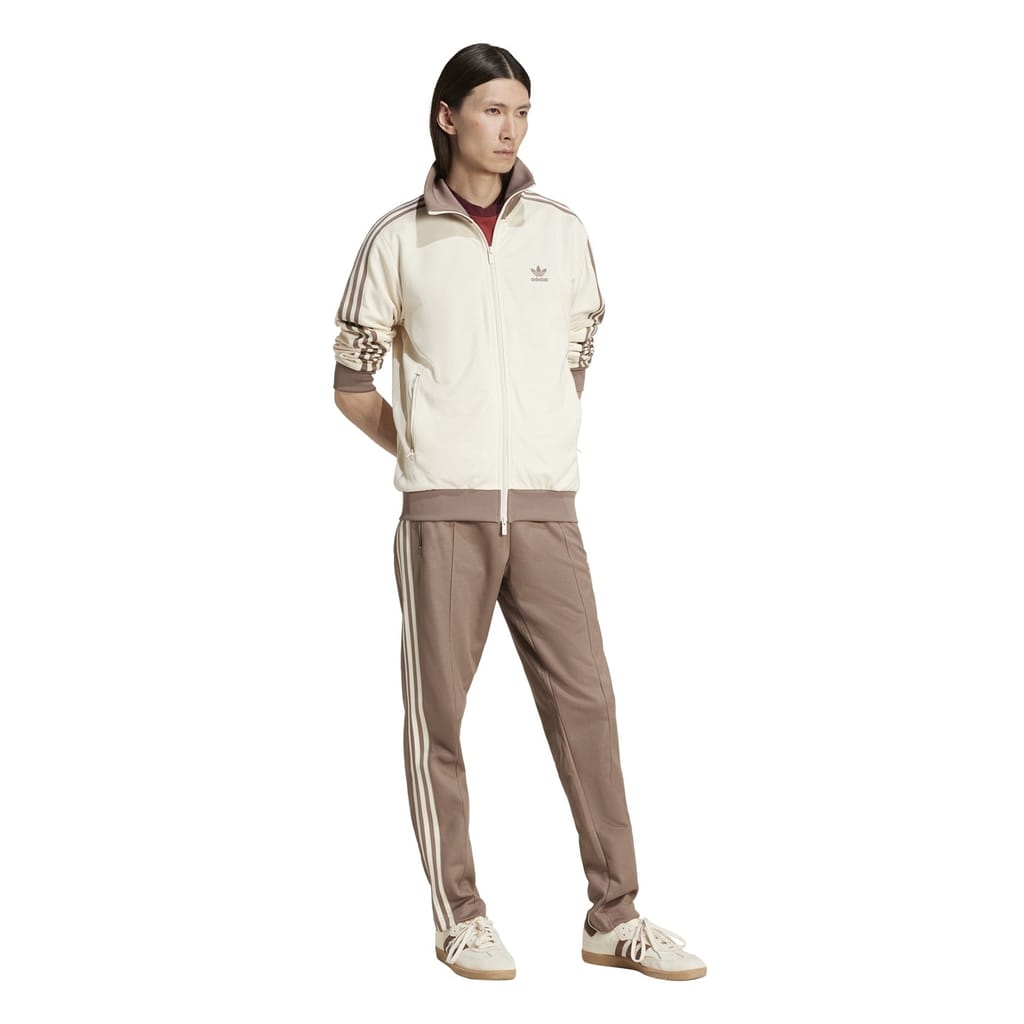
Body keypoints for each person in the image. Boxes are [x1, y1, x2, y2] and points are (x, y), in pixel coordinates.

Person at [332, 42, 706, 983]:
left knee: (589, 706)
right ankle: (459, 916)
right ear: (448, 116)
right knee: (439, 720)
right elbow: (351, 384)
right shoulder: (398, 239)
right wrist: (428, 454)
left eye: (523, 112)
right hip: (442, 517)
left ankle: (615, 917)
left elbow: (577, 354)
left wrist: (533, 447)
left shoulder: (562, 233)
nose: (511, 130)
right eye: (493, 109)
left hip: (546, 510)